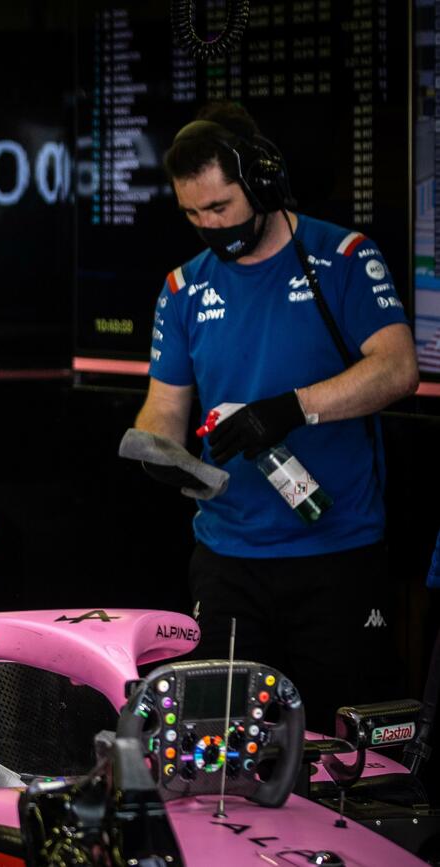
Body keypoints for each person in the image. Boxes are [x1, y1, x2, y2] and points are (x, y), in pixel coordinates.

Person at [134, 102, 418, 730]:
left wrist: (292, 409)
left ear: (261, 185)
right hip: (228, 558)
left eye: (222, 207)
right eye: (193, 213)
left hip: (337, 553)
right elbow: (165, 407)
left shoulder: (342, 256)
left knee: (344, 748)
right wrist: (160, 454)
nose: (209, 225)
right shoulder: (184, 286)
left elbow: (398, 369)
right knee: (227, 749)